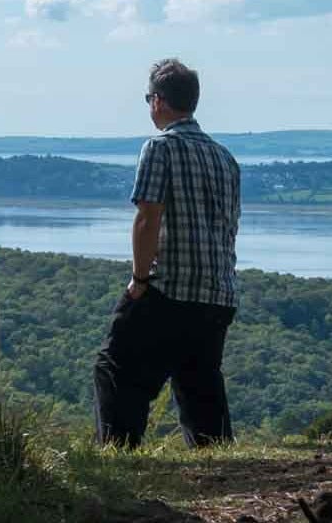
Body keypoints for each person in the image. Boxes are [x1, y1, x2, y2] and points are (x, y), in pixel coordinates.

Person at [94, 57, 242, 447]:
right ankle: (215, 456)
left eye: (148, 99)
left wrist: (139, 281)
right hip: (218, 293)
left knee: (116, 367)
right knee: (199, 381)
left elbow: (148, 217)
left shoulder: (160, 147)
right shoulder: (225, 158)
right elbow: (228, 227)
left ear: (159, 101)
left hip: (169, 288)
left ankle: (117, 453)